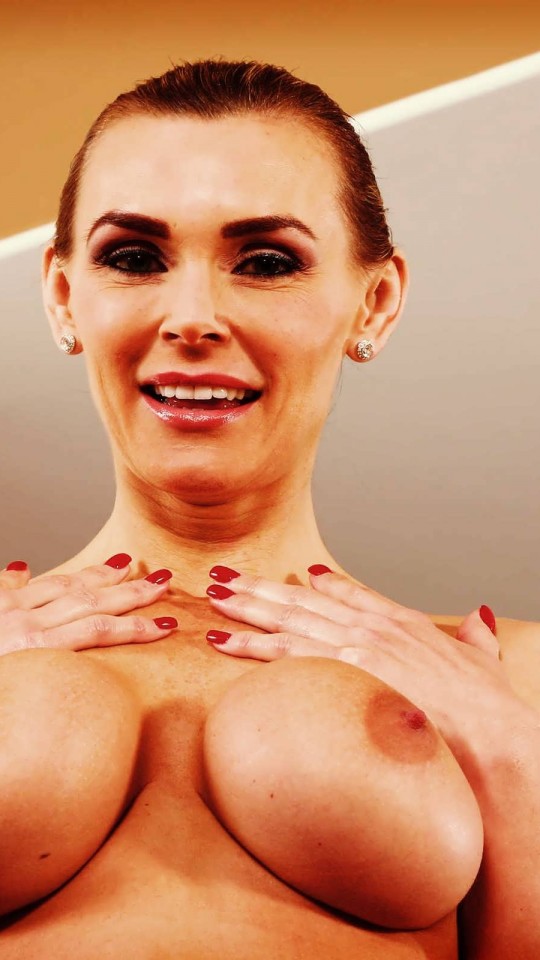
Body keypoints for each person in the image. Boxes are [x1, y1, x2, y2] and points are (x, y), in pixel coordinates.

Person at [0, 59, 539, 958]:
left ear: (375, 302)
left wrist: (511, 751)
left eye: (265, 263)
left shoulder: (510, 677)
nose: (193, 317)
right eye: (133, 258)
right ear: (63, 297)